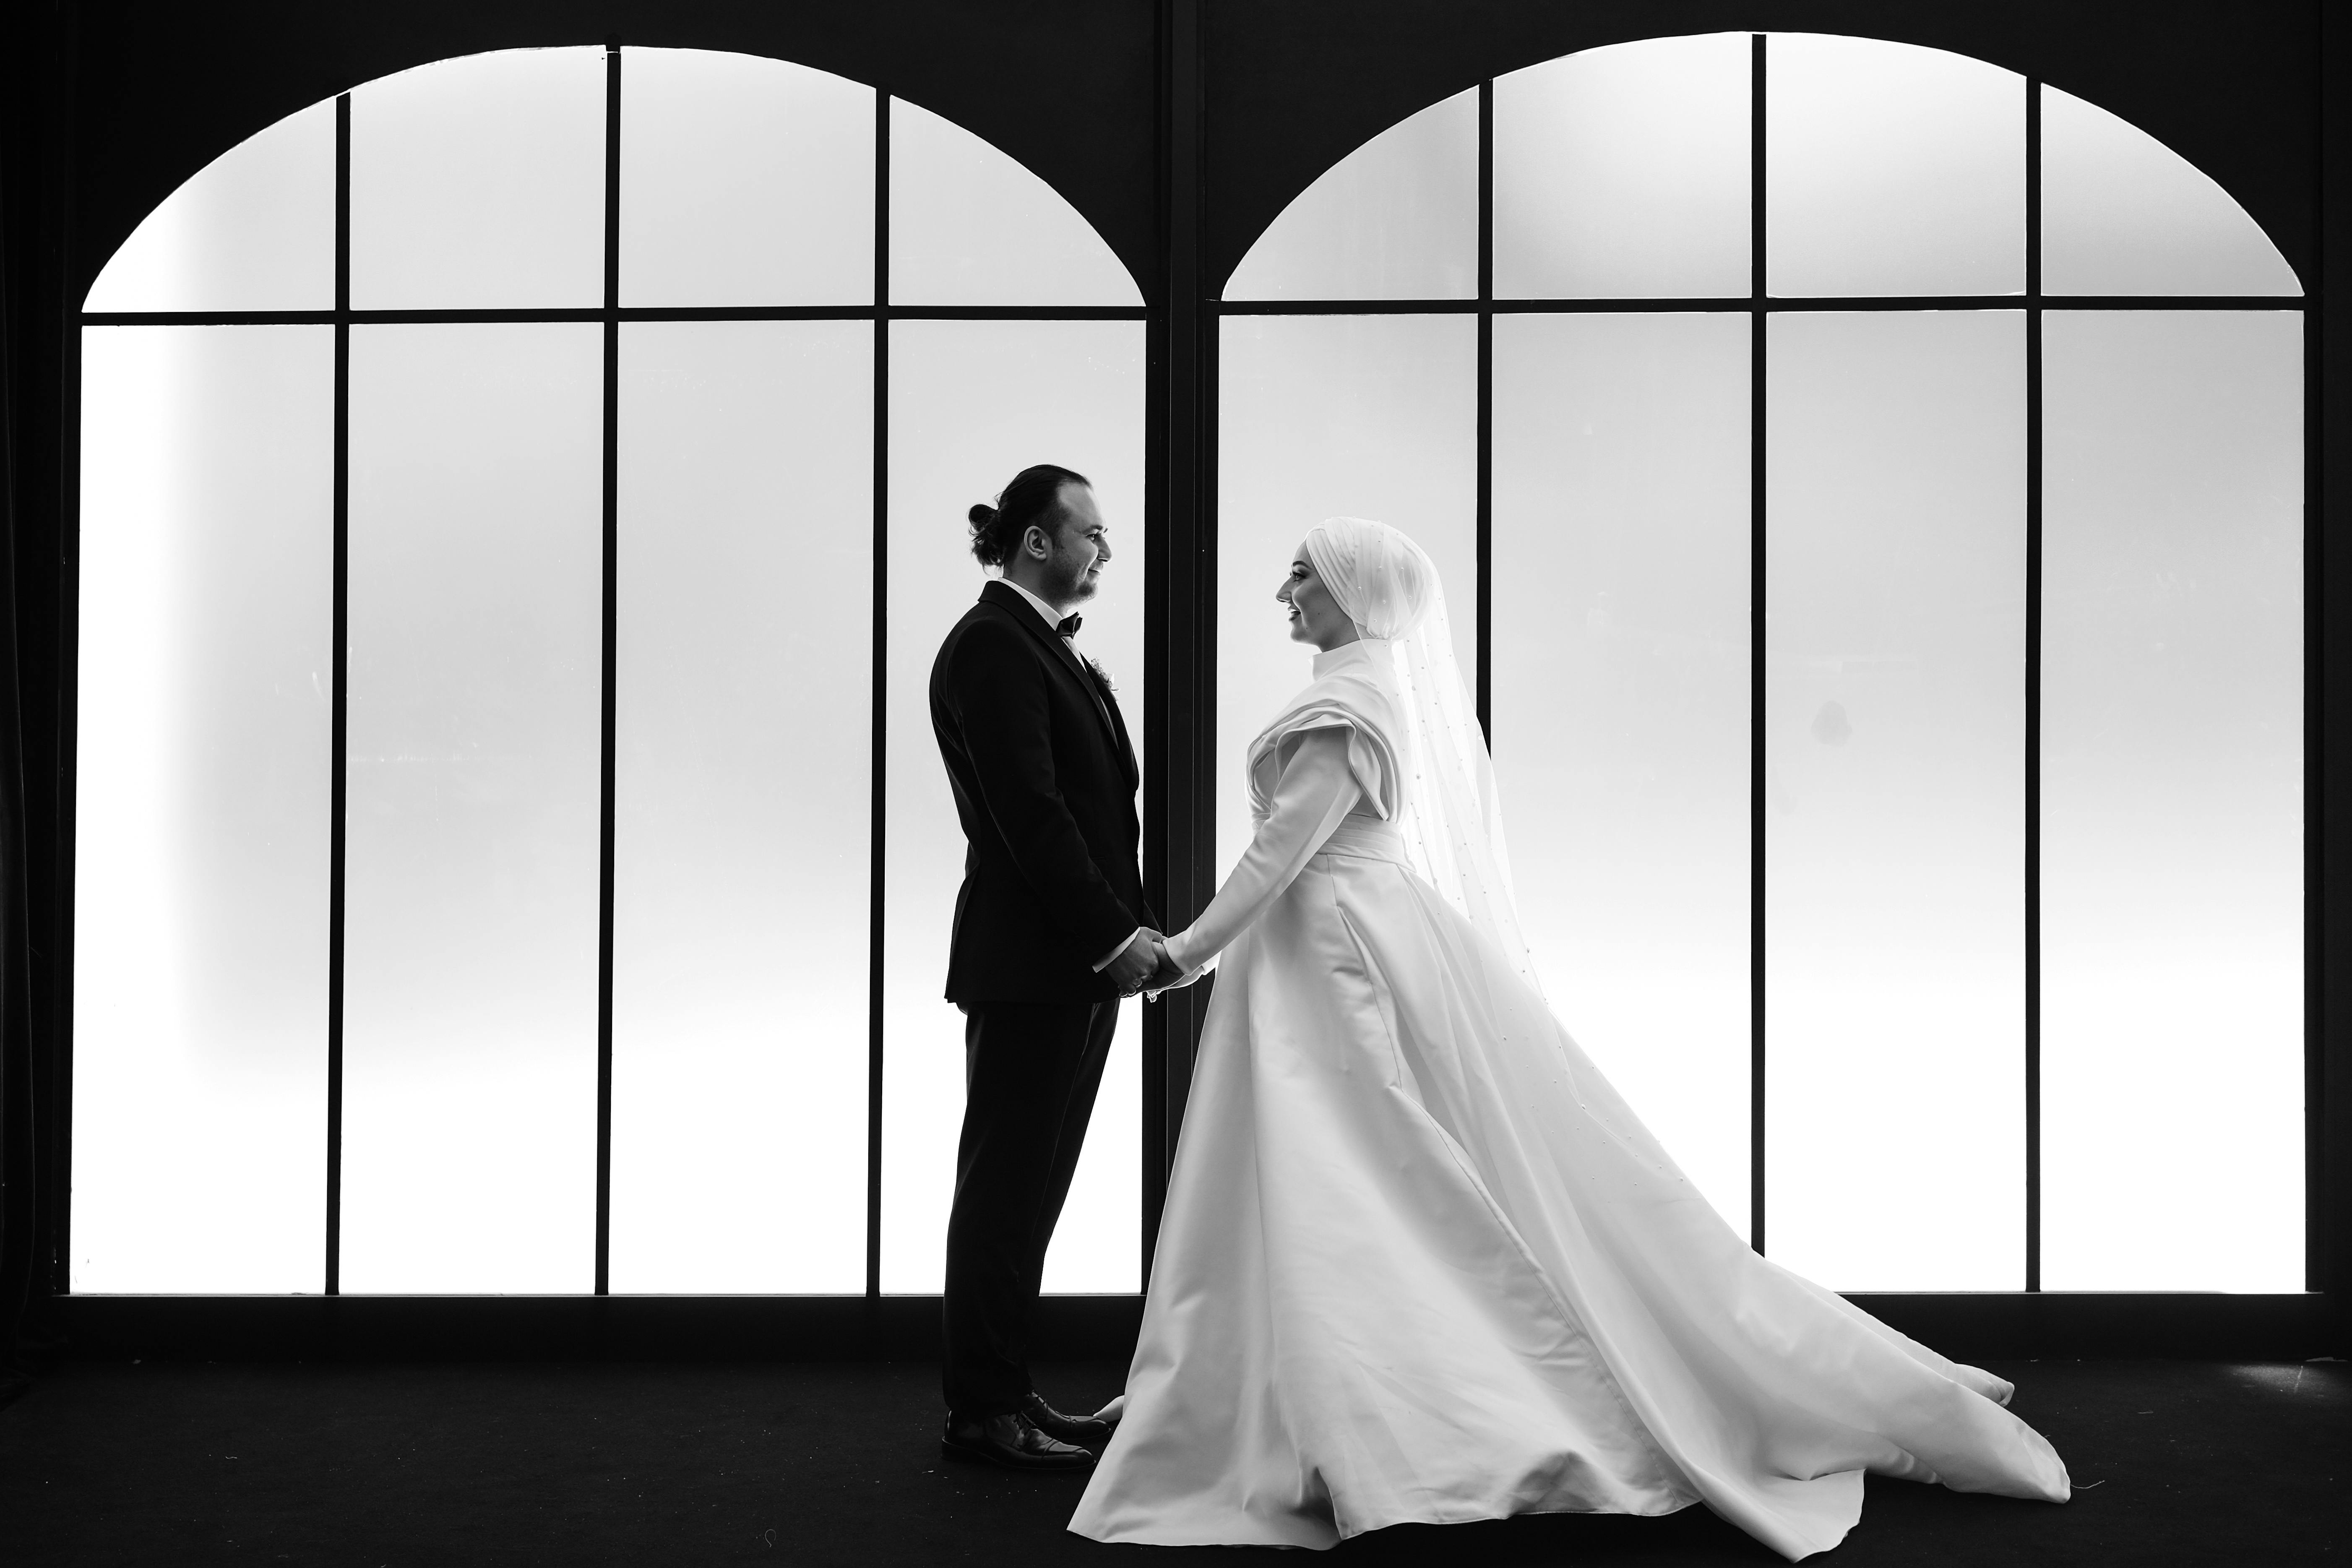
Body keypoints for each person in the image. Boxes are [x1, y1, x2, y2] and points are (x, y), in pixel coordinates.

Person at [1071, 517, 2070, 1559]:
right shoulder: (1364, 687)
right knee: (1344, 1171)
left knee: (1356, 1173)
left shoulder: (1351, 695)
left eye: (1302, 575)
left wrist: (1184, 952)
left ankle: (1352, 1412)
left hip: (1330, 947)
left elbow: (1283, 848)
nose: (1283, 590)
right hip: (1327, 941)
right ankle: (1279, 1397)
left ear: (1351, 591)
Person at [928, 464, 1163, 1471]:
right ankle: (981, 1410)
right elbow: (1031, 815)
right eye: (1091, 535)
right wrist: (1116, 938)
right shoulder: (992, 646)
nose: (1103, 551)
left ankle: (1008, 1391)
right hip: (1035, 965)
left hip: (1063, 969)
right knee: (1003, 1192)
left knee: (1033, 1191)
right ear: (1037, 541)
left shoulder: (1035, 648)